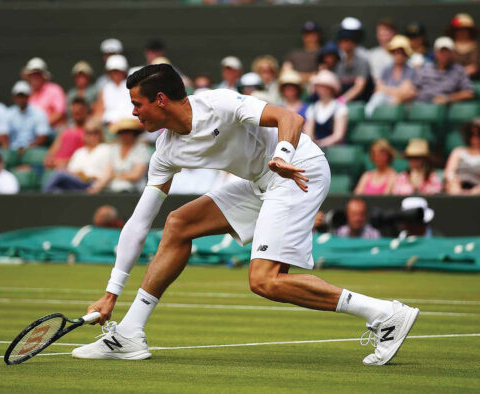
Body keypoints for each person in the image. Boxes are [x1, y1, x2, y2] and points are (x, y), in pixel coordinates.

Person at [71, 64, 419, 365]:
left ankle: (385, 314)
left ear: (160, 99)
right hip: (261, 181)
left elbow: (290, 117)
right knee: (179, 224)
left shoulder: (218, 103)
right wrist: (111, 292)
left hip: (298, 168)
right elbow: (140, 221)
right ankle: (130, 333)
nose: (134, 113)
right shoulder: (166, 150)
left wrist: (282, 153)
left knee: (264, 280)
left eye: (137, 104)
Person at [41, 120, 111, 193]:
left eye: (95, 132)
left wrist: (97, 186)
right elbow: (71, 171)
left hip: (92, 183)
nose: (91, 135)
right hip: (77, 184)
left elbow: (108, 173)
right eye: (88, 132)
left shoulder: (105, 149)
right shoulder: (79, 152)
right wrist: (78, 174)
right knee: (57, 189)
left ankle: (41, 196)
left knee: (59, 173)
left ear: (100, 134)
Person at [88, 118, 150, 194]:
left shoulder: (141, 149)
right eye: (122, 132)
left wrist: (115, 176)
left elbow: (136, 175)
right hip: (114, 191)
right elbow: (107, 173)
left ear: (134, 133)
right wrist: (96, 187)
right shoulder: (114, 150)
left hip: (134, 192)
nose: (125, 135)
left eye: (128, 132)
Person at [412, 37, 474, 105]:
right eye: (441, 51)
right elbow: (412, 89)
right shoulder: (425, 69)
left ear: (452, 53)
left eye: (447, 51)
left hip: (444, 110)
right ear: (435, 53)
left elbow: (469, 93)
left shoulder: (459, 71)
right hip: (422, 106)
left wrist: (448, 98)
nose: (444, 54)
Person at [365, 35, 416, 116]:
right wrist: (397, 91)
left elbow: (407, 92)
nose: (398, 54)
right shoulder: (387, 69)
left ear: (406, 54)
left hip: (403, 107)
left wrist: (386, 90)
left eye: (401, 52)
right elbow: (377, 89)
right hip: (386, 102)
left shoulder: (410, 70)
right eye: (395, 51)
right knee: (378, 97)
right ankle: (367, 119)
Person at [2, 81, 50, 151]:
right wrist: (8, 149)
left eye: (23, 96)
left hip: (32, 150)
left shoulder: (39, 113)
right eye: (18, 96)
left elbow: (42, 137)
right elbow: (3, 134)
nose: (21, 99)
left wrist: (27, 148)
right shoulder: (8, 113)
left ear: (28, 96)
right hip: (13, 150)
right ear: (14, 97)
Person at [303, 70, 347, 148]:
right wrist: (313, 144)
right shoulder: (313, 108)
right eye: (318, 86)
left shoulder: (340, 107)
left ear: (331, 88)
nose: (320, 89)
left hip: (334, 149)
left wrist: (322, 143)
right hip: (315, 148)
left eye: (323, 86)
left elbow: (338, 135)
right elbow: (308, 132)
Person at [44, 98, 90, 170]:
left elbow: (87, 155)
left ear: (86, 111)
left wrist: (65, 162)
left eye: (80, 111)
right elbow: (54, 148)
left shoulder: (89, 132)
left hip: (73, 168)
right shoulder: (65, 130)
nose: (77, 113)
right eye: (74, 111)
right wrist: (49, 159)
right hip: (56, 166)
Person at [23, 57, 66, 129]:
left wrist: (40, 127)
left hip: (52, 130)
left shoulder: (54, 89)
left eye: (38, 74)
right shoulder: (26, 93)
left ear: (44, 76)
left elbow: (59, 113)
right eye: (32, 75)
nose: (35, 77)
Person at [93, 55, 133, 125]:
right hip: (108, 127)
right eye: (112, 71)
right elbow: (99, 112)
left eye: (117, 71)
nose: (115, 74)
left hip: (131, 126)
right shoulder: (105, 89)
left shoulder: (132, 86)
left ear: (124, 71)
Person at [335, 28, 371, 103]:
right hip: (343, 102)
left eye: (347, 41)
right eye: (341, 41)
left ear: (353, 43)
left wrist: (341, 101)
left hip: (361, 101)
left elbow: (359, 87)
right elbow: (337, 85)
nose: (344, 44)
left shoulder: (362, 62)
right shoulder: (340, 64)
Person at [448, 14, 480, 78]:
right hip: (450, 78)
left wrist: (459, 73)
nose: (462, 32)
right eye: (459, 30)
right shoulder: (449, 46)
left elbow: (474, 67)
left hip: (470, 79)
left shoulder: (475, 46)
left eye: (465, 30)